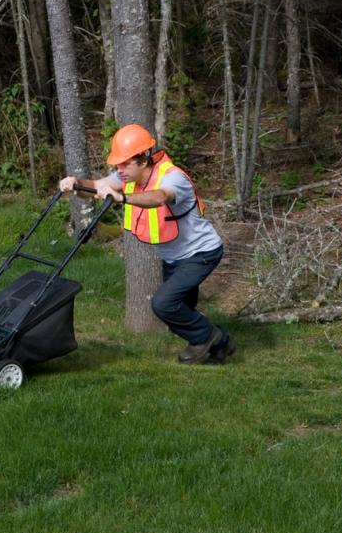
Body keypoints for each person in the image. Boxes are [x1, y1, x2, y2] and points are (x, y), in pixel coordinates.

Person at [59, 123, 234, 364]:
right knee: (179, 314)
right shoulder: (126, 175)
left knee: (164, 305)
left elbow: (160, 197)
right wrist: (75, 185)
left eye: (124, 163)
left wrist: (122, 198)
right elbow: (99, 187)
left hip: (200, 253)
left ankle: (216, 338)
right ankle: (213, 348)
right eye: (117, 163)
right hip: (175, 257)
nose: (118, 169)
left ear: (142, 160)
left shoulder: (173, 177)